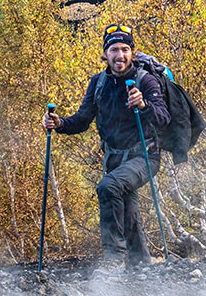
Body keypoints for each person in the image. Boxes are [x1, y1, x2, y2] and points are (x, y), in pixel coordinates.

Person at [42, 24, 170, 270]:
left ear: (132, 52)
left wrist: (144, 105)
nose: (119, 55)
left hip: (145, 156)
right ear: (105, 53)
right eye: (113, 50)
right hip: (114, 160)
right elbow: (81, 120)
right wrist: (59, 123)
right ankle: (142, 268)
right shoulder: (98, 82)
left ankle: (113, 259)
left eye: (124, 49)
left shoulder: (146, 81)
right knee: (128, 212)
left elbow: (163, 118)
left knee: (108, 186)